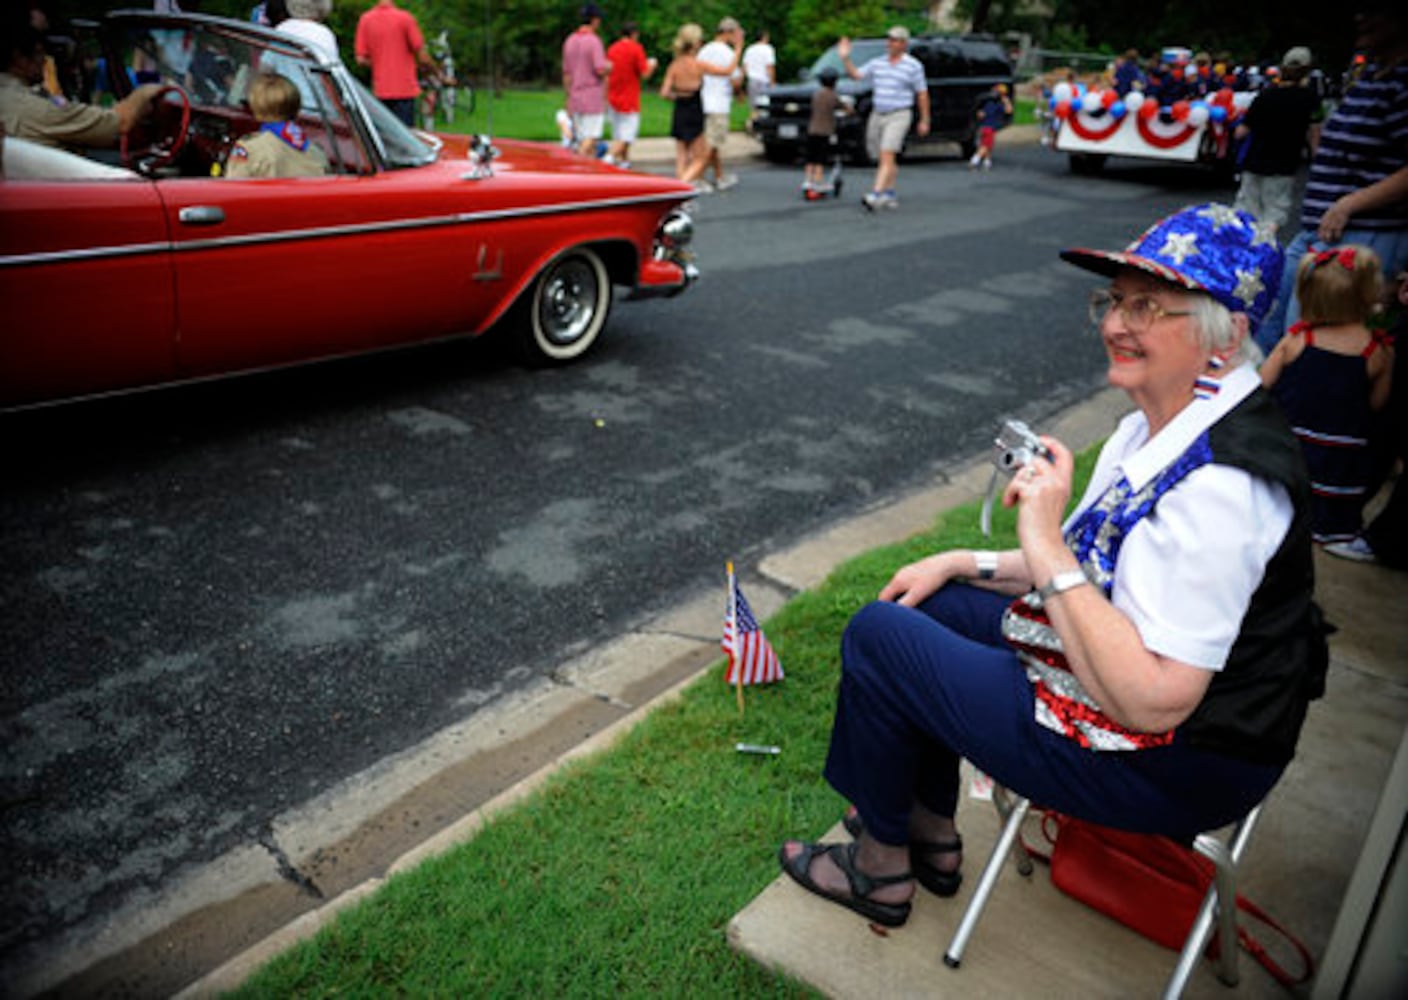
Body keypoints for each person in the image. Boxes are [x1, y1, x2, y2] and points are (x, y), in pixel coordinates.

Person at [777, 202, 1326, 930]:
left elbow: (1154, 700)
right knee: (930, 605)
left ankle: (880, 869)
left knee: (880, 637)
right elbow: (1084, 560)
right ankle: (930, 833)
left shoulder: (1224, 487)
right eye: (1116, 301)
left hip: (1175, 760)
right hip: (1138, 693)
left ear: (1223, 338)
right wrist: (958, 559)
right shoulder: (1160, 422)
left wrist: (1042, 541)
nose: (1114, 324)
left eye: (1149, 307)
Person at [1255, 5, 1408, 354]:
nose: (1360, 16)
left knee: (1315, 343)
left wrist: (1350, 204)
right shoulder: (1372, 74)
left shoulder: (1403, 81)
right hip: (1321, 228)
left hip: (1364, 234)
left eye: (1374, 10)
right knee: (1272, 327)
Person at [1260, 246, 1394, 543]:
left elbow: (1262, 384)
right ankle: (1327, 530)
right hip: (1341, 450)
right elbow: (1377, 403)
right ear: (1367, 295)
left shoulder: (1297, 339)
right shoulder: (1378, 352)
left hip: (1291, 441)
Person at [0, 21, 159, 151]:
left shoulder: (13, 98)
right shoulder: (33, 108)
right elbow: (121, 122)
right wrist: (147, 92)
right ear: (19, 59)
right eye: (40, 53)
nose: (45, 60)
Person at [1232, 47, 1321, 238]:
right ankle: (1265, 248)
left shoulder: (1265, 96)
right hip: (1284, 163)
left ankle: (1242, 251)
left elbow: (1242, 131)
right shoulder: (1311, 99)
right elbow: (1315, 132)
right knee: (1274, 212)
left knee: (1246, 210)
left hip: (1255, 160)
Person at [838, 27, 930, 212]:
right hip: (879, 113)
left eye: (895, 40)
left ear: (904, 44)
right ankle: (889, 192)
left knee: (887, 152)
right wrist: (846, 58)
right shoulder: (878, 63)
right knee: (883, 155)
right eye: (889, 40)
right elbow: (857, 75)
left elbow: (922, 93)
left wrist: (924, 119)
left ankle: (876, 193)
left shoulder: (913, 66)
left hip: (899, 113)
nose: (890, 44)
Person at [354, 0, 447, 127]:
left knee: (386, 137)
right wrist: (437, 73)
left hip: (381, 89)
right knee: (406, 135)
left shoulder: (365, 20)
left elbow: (361, 60)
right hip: (405, 89)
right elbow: (423, 57)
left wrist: (381, 63)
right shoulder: (405, 18)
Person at [225, 70, 329, 178]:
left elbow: (232, 190)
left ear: (257, 107)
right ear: (296, 105)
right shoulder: (316, 153)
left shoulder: (250, 149)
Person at [681, 17, 744, 192]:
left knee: (708, 142)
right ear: (728, 33)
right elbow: (735, 81)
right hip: (719, 102)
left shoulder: (704, 50)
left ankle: (719, 176)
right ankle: (695, 177)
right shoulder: (728, 53)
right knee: (711, 144)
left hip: (703, 100)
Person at [561, 2, 610, 158]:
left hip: (575, 95)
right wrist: (610, 67)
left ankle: (583, 171)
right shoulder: (594, 41)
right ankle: (576, 161)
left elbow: (566, 73)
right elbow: (600, 69)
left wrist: (568, 97)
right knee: (592, 136)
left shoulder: (570, 40)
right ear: (594, 20)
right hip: (592, 95)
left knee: (581, 137)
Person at [605, 20, 655, 168]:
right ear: (634, 34)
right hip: (629, 98)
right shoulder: (636, 48)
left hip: (613, 96)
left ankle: (624, 162)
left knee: (618, 133)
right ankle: (608, 159)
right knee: (627, 136)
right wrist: (652, 65)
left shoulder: (612, 49)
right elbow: (645, 74)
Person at [660, 22, 705, 182]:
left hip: (680, 108)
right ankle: (682, 185)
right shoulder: (699, 64)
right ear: (695, 43)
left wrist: (677, 96)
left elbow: (664, 92)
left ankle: (681, 192)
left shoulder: (675, 65)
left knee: (681, 155)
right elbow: (726, 71)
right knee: (700, 158)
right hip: (695, 107)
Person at [802, 66, 839, 197]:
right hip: (825, 131)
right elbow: (841, 106)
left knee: (810, 157)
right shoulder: (833, 96)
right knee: (820, 159)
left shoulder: (816, 94)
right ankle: (817, 182)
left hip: (812, 130)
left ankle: (807, 181)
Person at [969, 82, 1012, 171]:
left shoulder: (988, 103)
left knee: (988, 145)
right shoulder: (999, 105)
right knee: (985, 146)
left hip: (984, 127)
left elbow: (981, 114)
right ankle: (974, 160)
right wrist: (1007, 101)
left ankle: (987, 162)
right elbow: (1009, 111)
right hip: (989, 129)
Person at [742, 28, 775, 134]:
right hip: (764, 80)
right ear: (764, 37)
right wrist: (772, 81)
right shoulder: (768, 49)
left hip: (752, 80)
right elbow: (769, 66)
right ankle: (762, 127)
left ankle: (751, 124)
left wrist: (746, 77)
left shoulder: (750, 49)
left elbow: (744, 66)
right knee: (764, 106)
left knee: (753, 106)